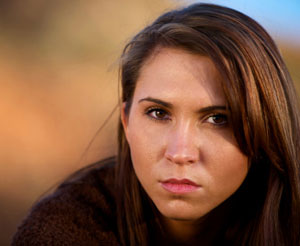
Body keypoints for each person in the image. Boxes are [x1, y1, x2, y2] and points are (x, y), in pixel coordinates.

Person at [12, 3, 300, 246]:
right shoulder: (63, 227)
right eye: (159, 113)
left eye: (218, 119)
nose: (180, 153)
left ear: (266, 127)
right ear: (126, 121)